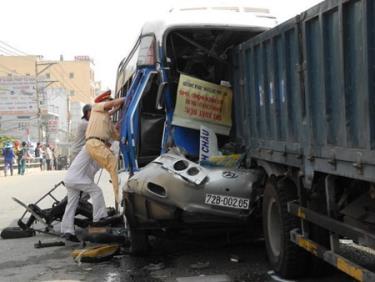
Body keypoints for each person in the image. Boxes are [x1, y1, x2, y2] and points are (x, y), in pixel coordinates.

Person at [85, 90, 124, 210]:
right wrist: (124, 99)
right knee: (113, 165)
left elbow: (117, 136)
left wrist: (118, 114)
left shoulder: (106, 118)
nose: (110, 102)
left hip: (98, 144)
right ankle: (119, 198)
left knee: (115, 169)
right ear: (104, 101)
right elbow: (108, 106)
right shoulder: (97, 107)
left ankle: (118, 195)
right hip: (95, 143)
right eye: (109, 100)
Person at [60, 146, 108, 242]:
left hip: (69, 179)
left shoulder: (91, 159)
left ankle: (67, 231)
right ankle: (99, 219)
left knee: (71, 204)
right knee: (97, 191)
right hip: (76, 179)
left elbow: (90, 177)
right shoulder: (89, 147)